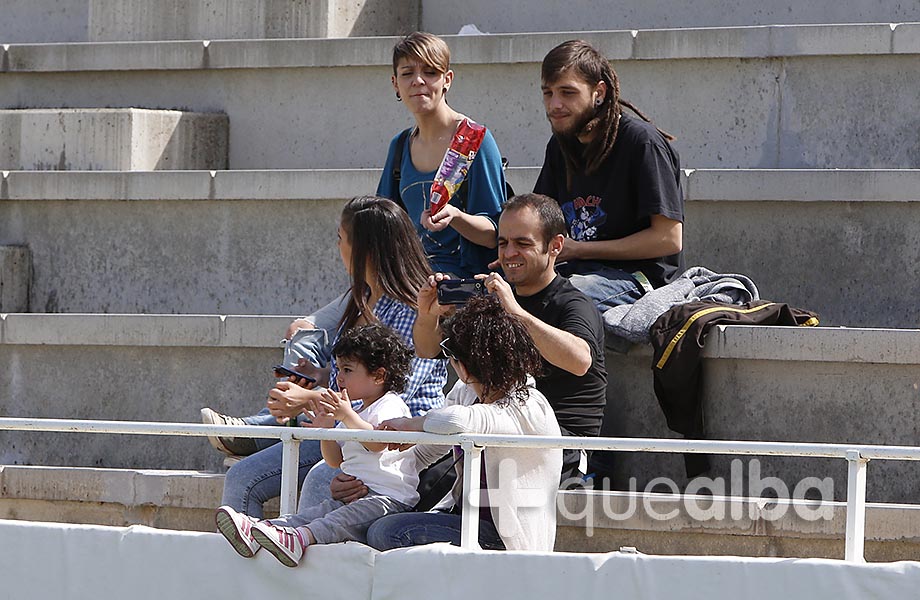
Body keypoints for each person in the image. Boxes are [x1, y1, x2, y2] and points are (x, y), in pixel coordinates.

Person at [203, 196, 447, 519]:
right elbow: (354, 382)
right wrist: (321, 376)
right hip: (340, 433)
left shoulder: (414, 309)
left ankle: (256, 439)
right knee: (244, 476)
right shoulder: (361, 298)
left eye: (341, 239)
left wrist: (307, 399)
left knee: (292, 478)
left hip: (389, 450)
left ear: (365, 251)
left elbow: (389, 399)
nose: (338, 247)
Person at [414, 194, 607, 481]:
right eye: (503, 243)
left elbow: (580, 360)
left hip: (557, 446)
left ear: (555, 246)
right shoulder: (496, 298)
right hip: (493, 433)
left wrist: (515, 312)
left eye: (523, 243)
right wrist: (428, 314)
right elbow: (428, 350)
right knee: (423, 479)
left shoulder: (572, 303)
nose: (509, 253)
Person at [214, 324, 421, 567]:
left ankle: (297, 540)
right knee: (313, 514)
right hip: (358, 496)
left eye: (348, 370)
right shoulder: (355, 411)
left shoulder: (390, 405)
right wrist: (326, 431)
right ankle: (261, 531)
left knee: (335, 521)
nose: (339, 378)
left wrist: (346, 417)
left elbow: (377, 442)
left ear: (378, 376)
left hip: (388, 499)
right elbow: (335, 460)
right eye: (339, 369)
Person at [368, 294, 562, 551]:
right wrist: (368, 481)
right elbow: (427, 451)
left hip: (507, 538)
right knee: (372, 522)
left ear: (464, 364)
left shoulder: (528, 404)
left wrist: (408, 424)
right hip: (462, 518)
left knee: (389, 533)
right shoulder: (466, 391)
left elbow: (456, 420)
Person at [534, 39, 684, 318]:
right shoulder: (559, 146)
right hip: (573, 271)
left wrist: (581, 250)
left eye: (567, 92)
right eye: (548, 93)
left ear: (598, 92)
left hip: (639, 280)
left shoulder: (642, 144)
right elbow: (541, 219)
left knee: (558, 299)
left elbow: (668, 238)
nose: (555, 104)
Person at [377, 31, 507, 278]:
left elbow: (494, 235)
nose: (418, 81)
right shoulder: (400, 145)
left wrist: (456, 216)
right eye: (407, 74)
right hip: (410, 277)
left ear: (447, 79)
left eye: (430, 72)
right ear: (395, 83)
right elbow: (384, 221)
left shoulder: (474, 140)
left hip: (464, 281)